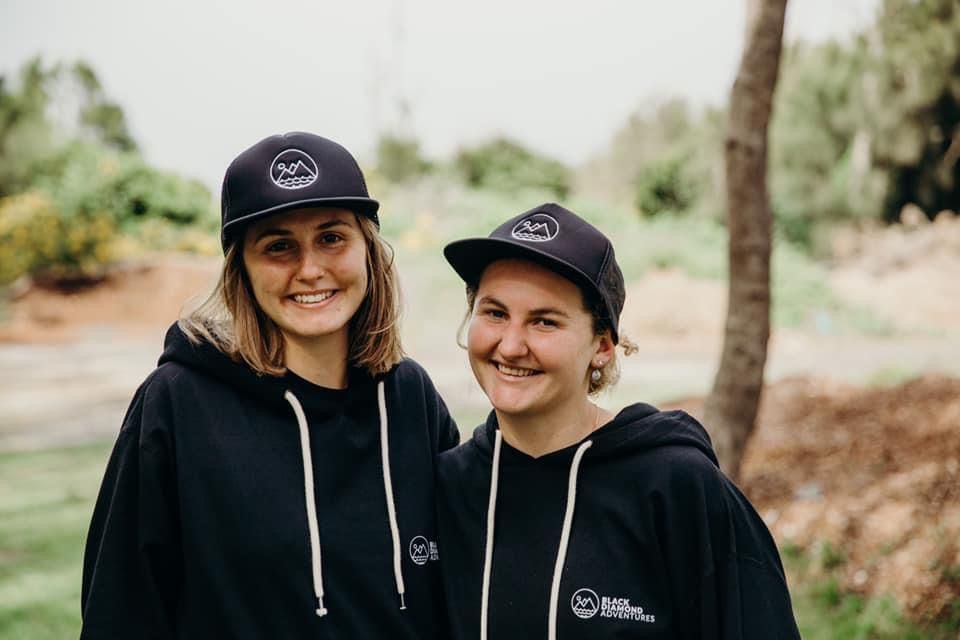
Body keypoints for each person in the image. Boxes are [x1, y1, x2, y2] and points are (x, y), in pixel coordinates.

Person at [80, 132, 459, 639]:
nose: (310, 269)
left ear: (367, 249)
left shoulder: (409, 396)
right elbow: (121, 612)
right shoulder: (176, 404)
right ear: (242, 270)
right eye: (279, 246)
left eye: (331, 237)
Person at [437, 202, 800, 639]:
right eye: (495, 313)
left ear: (603, 346)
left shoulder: (678, 488)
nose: (511, 346)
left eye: (545, 322)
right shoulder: (446, 489)